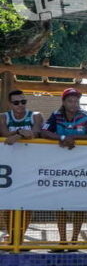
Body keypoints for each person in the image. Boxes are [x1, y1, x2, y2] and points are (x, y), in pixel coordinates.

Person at [40, 88, 87, 251]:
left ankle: (74, 241)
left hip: (81, 169)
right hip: (59, 169)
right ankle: (62, 241)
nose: (74, 104)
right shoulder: (56, 115)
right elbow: (44, 132)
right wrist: (62, 137)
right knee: (60, 205)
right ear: (64, 102)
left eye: (76, 101)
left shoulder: (86, 116)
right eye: (70, 101)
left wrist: (73, 138)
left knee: (78, 205)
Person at [1, 90, 42, 243]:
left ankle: (19, 237)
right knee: (8, 204)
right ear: (10, 104)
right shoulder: (3, 117)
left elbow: (36, 132)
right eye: (16, 102)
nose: (20, 105)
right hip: (9, 167)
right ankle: (12, 236)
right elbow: (4, 134)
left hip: (30, 165)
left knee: (27, 204)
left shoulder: (35, 115)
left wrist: (17, 135)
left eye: (23, 102)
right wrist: (20, 132)